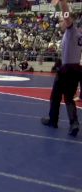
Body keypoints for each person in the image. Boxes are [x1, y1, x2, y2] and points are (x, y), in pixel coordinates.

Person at [41, 0, 82, 137]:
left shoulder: (71, 31)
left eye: (61, 20)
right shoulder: (76, 34)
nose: (60, 23)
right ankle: (74, 123)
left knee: (55, 96)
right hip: (75, 69)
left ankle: (53, 120)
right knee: (69, 97)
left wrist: (62, 2)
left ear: (68, 21)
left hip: (67, 70)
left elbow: (66, 15)